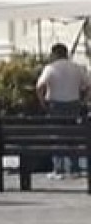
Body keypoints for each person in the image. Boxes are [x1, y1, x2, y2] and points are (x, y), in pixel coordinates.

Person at [36, 43, 90, 178]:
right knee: (73, 138)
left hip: (55, 105)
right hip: (73, 104)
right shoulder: (77, 68)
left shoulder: (50, 68)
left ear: (55, 54)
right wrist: (84, 100)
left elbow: (39, 86)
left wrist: (42, 102)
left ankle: (58, 169)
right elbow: (89, 85)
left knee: (57, 137)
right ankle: (75, 168)